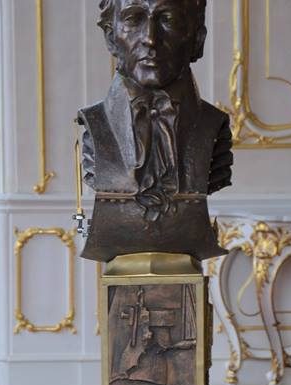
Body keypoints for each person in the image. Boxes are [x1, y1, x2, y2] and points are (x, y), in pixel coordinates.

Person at [78, 0, 233, 262]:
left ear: (197, 39)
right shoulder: (95, 125)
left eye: (168, 20)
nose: (150, 39)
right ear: (111, 37)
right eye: (134, 19)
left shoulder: (213, 126)